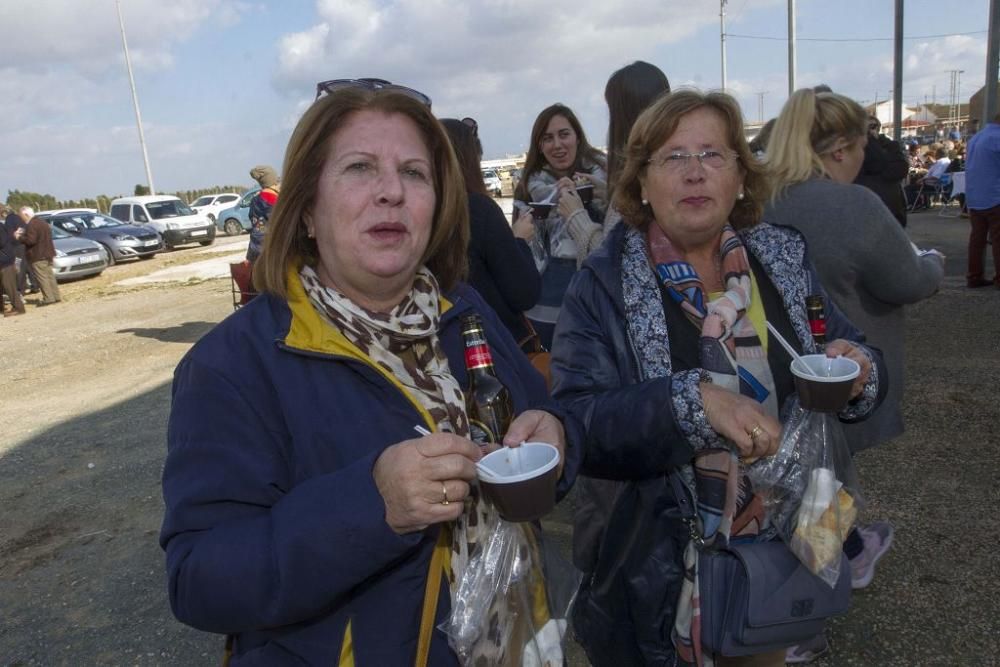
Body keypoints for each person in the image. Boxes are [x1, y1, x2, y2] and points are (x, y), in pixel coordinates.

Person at [160, 79, 580, 666]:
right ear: (306, 209)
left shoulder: (461, 310)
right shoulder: (232, 365)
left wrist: (556, 437)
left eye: (414, 173)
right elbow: (200, 580)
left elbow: (550, 420)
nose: (391, 193)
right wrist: (371, 506)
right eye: (359, 168)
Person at [551, 89, 884, 667]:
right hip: (659, 562)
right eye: (673, 157)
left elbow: (849, 346)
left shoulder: (781, 260)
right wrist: (692, 403)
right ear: (642, 183)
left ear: (740, 176)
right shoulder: (602, 285)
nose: (695, 172)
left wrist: (858, 368)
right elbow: (578, 421)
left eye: (713, 154)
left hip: (786, 546)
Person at [763, 88, 944, 663]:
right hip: (841, 381)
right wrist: (933, 262)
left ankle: (852, 551)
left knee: (809, 491)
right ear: (843, 146)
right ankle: (804, 617)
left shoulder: (761, 203)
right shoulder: (855, 206)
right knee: (826, 495)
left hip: (774, 380)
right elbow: (907, 281)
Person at [567, 59, 672, 574]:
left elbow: (604, 260)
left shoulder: (638, 175)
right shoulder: (666, 169)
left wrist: (571, 214)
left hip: (629, 350)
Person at [514, 103, 608, 349]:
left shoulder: (604, 178)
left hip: (600, 299)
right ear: (540, 146)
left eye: (564, 134)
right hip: (546, 305)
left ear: (578, 136)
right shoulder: (528, 185)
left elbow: (621, 234)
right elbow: (519, 249)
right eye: (547, 138)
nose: (557, 144)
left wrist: (598, 198)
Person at [440, 118, 541, 347]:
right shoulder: (477, 209)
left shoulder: (423, 216)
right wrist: (519, 240)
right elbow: (524, 293)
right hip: (496, 346)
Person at [964, 111, 1000, 288]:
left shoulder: (976, 138)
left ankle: (974, 276)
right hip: (995, 196)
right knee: (997, 239)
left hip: (975, 196)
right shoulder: (997, 138)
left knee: (977, 240)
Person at [855, 115, 909, 227]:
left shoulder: (891, 146)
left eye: (872, 126)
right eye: (865, 128)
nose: (869, 131)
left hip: (890, 203)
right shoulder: (855, 149)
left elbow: (900, 170)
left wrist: (872, 143)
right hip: (865, 204)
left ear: (878, 128)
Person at [15, 207, 61, 306]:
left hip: (38, 255)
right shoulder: (42, 222)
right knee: (50, 276)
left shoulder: (32, 224)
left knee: (42, 277)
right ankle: (56, 296)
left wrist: (19, 237)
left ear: (26, 215)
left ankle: (48, 298)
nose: (21, 218)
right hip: (48, 253)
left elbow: (31, 240)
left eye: (21, 216)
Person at [245, 165, 280, 263]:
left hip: (254, 249)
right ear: (273, 182)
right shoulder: (274, 200)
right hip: (271, 251)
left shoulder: (255, 200)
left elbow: (255, 223)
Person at [0, 211, 26, 316]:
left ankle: (18, 308)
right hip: (4, 260)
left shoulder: (0, 227)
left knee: (9, 286)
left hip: (5, 261)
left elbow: (1, 242)